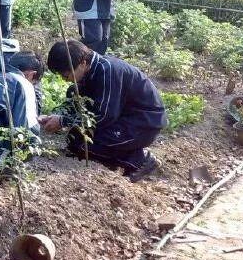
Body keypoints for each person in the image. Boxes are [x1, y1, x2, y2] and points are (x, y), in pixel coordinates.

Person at [39, 40, 165, 183]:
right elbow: (81, 104)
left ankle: (140, 160)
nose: (65, 79)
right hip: (122, 117)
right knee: (75, 140)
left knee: (84, 144)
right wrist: (59, 116)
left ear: (83, 63)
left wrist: (63, 121)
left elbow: (104, 116)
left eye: (67, 75)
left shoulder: (108, 72)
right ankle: (120, 159)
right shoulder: (92, 69)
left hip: (143, 123)